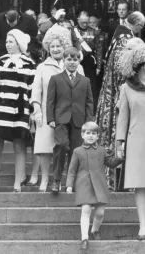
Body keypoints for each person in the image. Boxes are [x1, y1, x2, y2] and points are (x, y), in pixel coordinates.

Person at [0, 29, 36, 193]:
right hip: (0, 108)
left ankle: (17, 184)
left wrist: (33, 111)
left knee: (19, 147)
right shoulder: (0, 60)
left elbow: (32, 90)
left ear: (19, 44)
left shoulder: (30, 63)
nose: (7, 44)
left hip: (20, 109)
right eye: (6, 41)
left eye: (11, 41)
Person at [96, 11, 145, 191]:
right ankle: (117, 182)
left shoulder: (120, 35)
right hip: (120, 93)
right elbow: (122, 70)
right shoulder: (125, 38)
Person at [28, 34, 84, 191]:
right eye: (52, 46)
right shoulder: (42, 67)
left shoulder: (76, 66)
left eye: (58, 46)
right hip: (48, 113)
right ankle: (45, 178)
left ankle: (68, 180)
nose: (55, 49)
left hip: (71, 114)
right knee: (45, 148)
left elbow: (83, 91)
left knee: (69, 147)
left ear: (65, 46)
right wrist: (37, 111)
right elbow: (36, 92)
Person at [66, 122, 124, 250]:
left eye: (94, 133)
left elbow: (111, 163)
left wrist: (119, 158)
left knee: (100, 213)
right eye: (88, 133)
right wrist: (69, 185)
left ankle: (95, 229)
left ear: (98, 136)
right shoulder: (77, 151)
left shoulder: (102, 150)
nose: (91, 136)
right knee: (85, 210)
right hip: (84, 184)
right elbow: (71, 170)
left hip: (99, 185)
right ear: (82, 135)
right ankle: (84, 238)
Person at [47, 47, 93, 193]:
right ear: (64, 60)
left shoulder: (85, 81)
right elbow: (50, 101)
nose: (72, 63)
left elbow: (89, 102)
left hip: (79, 120)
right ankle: (56, 180)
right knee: (60, 145)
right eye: (69, 59)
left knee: (76, 151)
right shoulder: (55, 79)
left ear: (79, 61)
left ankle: (72, 183)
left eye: (75, 60)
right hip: (61, 119)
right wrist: (50, 118)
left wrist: (89, 121)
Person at [116, 43, 145, 240]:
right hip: (138, 140)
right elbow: (122, 117)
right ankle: (143, 224)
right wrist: (120, 141)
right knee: (141, 184)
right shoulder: (126, 87)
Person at [75, 11, 103, 111]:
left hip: (90, 63)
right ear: (78, 20)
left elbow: (99, 49)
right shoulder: (73, 31)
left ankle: (92, 112)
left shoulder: (94, 32)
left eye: (86, 22)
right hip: (76, 63)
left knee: (91, 89)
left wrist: (99, 66)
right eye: (82, 22)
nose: (85, 24)